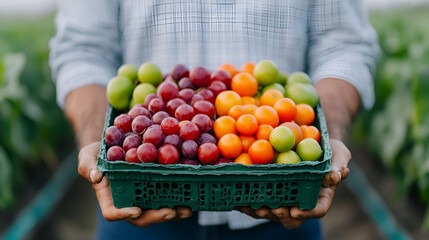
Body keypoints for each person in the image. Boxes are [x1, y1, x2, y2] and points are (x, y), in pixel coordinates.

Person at [49, 0, 379, 239]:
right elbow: (84, 50)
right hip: (139, 203)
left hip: (284, 203)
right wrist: (97, 141)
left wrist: (329, 135)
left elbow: (343, 46)